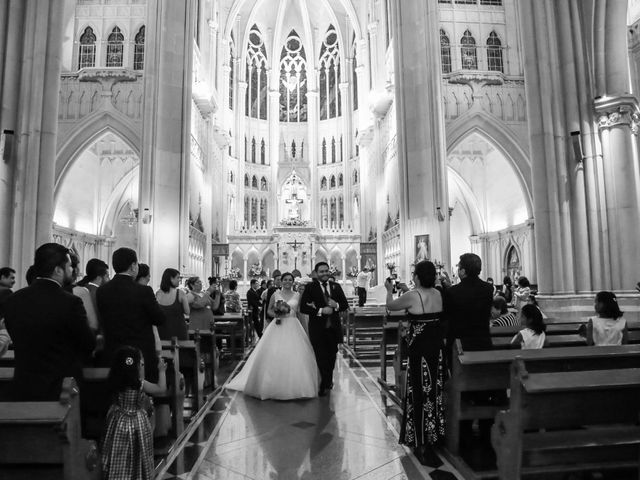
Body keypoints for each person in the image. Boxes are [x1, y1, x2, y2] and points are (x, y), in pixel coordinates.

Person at [4, 243, 96, 400]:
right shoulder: (71, 302)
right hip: (61, 389)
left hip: (23, 387)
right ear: (58, 270)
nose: (72, 270)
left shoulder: (13, 300)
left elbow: (13, 332)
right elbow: (87, 343)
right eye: (69, 266)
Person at [385, 261, 444, 467]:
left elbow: (391, 307)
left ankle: (420, 440)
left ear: (417, 276)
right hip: (436, 349)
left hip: (419, 350)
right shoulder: (438, 293)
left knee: (418, 391)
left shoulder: (413, 295)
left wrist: (389, 290)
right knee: (433, 392)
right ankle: (433, 437)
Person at [226, 272, 319, 400]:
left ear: (293, 282)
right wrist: (276, 313)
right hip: (278, 325)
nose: (287, 282)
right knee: (275, 353)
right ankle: (271, 385)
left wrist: (308, 322)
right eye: (285, 279)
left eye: (289, 280)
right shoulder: (276, 294)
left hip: (293, 325)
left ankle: (295, 387)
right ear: (281, 281)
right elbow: (268, 310)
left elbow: (299, 311)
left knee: (295, 354)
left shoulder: (298, 295)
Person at [97, 248, 166, 383]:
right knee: (144, 395)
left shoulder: (102, 291)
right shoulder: (144, 291)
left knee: (117, 393)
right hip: (141, 354)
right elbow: (160, 318)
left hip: (113, 354)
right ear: (133, 266)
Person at [100, 346, 167, 480]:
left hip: (117, 421)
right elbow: (161, 389)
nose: (143, 368)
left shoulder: (116, 383)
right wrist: (161, 371)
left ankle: (116, 475)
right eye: (141, 364)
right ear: (136, 367)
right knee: (139, 450)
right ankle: (139, 474)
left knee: (117, 451)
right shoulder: (140, 384)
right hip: (138, 422)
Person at [300, 262, 349, 396]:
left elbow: (345, 305)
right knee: (320, 357)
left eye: (326, 271)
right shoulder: (310, 287)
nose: (325, 273)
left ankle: (327, 379)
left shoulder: (336, 286)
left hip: (333, 328)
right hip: (317, 329)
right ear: (316, 273)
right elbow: (303, 307)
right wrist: (321, 310)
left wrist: (336, 305)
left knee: (332, 356)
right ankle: (324, 383)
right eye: (321, 271)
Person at [444, 253, 494, 357]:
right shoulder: (488, 289)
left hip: (460, 344)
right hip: (483, 341)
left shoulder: (453, 292)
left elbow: (447, 316)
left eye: (459, 267)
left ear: (463, 271)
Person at [155, 268, 190, 341]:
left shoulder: (158, 293)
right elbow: (187, 312)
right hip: (178, 330)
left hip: (162, 330)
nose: (179, 280)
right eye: (177, 278)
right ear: (171, 278)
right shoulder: (180, 293)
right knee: (181, 351)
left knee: (165, 351)